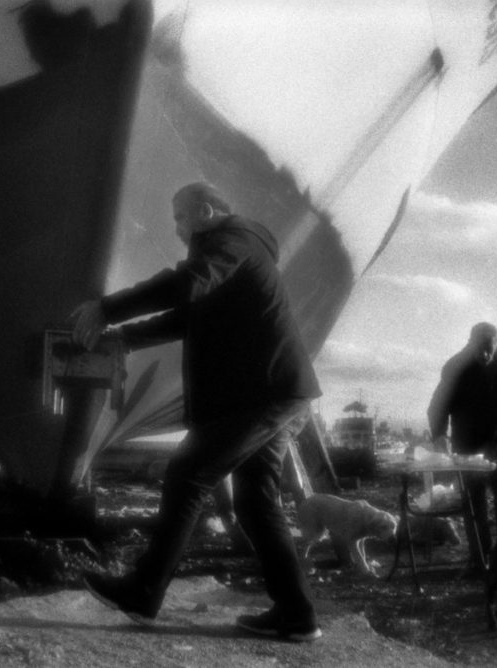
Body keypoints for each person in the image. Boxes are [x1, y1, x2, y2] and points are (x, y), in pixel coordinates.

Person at [70, 182, 323, 641]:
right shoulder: (234, 254)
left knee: (188, 473)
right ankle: (296, 613)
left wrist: (109, 309)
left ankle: (143, 592)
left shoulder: (233, 241)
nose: (177, 230)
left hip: (262, 395)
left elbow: (186, 285)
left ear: (206, 212)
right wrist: (126, 336)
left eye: (180, 219)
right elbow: (188, 315)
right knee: (255, 501)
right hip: (275, 393)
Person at [426, 322, 497, 575]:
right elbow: (438, 405)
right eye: (480, 349)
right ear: (470, 343)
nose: (486, 355)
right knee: (475, 507)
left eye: (490, 349)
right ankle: (480, 560)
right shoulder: (455, 366)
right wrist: (439, 434)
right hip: (468, 448)